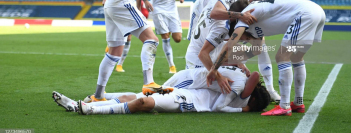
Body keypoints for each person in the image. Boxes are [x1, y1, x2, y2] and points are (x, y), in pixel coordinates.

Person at [207, 0, 326, 116]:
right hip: (317, 11)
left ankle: (284, 106)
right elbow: (257, 50)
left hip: (305, 14)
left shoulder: (244, 18)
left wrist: (214, 69)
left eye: (242, 38)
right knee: (296, 57)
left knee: (281, 56)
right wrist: (237, 61)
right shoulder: (256, 17)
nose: (244, 41)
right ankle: (298, 103)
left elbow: (229, 45)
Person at [210, 0, 279, 103]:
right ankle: (219, 77)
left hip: (248, 15)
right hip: (228, 18)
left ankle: (270, 89)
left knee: (260, 47)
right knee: (221, 48)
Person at [52, 69, 270, 115]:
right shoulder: (240, 97)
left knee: (140, 100)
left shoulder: (239, 96)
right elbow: (218, 107)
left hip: (187, 97)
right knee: (139, 100)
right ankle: (86, 106)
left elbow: (254, 77)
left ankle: (87, 107)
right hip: (185, 94)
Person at [101, 0, 132, 73]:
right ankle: (111, 49)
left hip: (129, 5)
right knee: (119, 39)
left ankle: (120, 65)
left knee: (128, 37)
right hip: (115, 6)